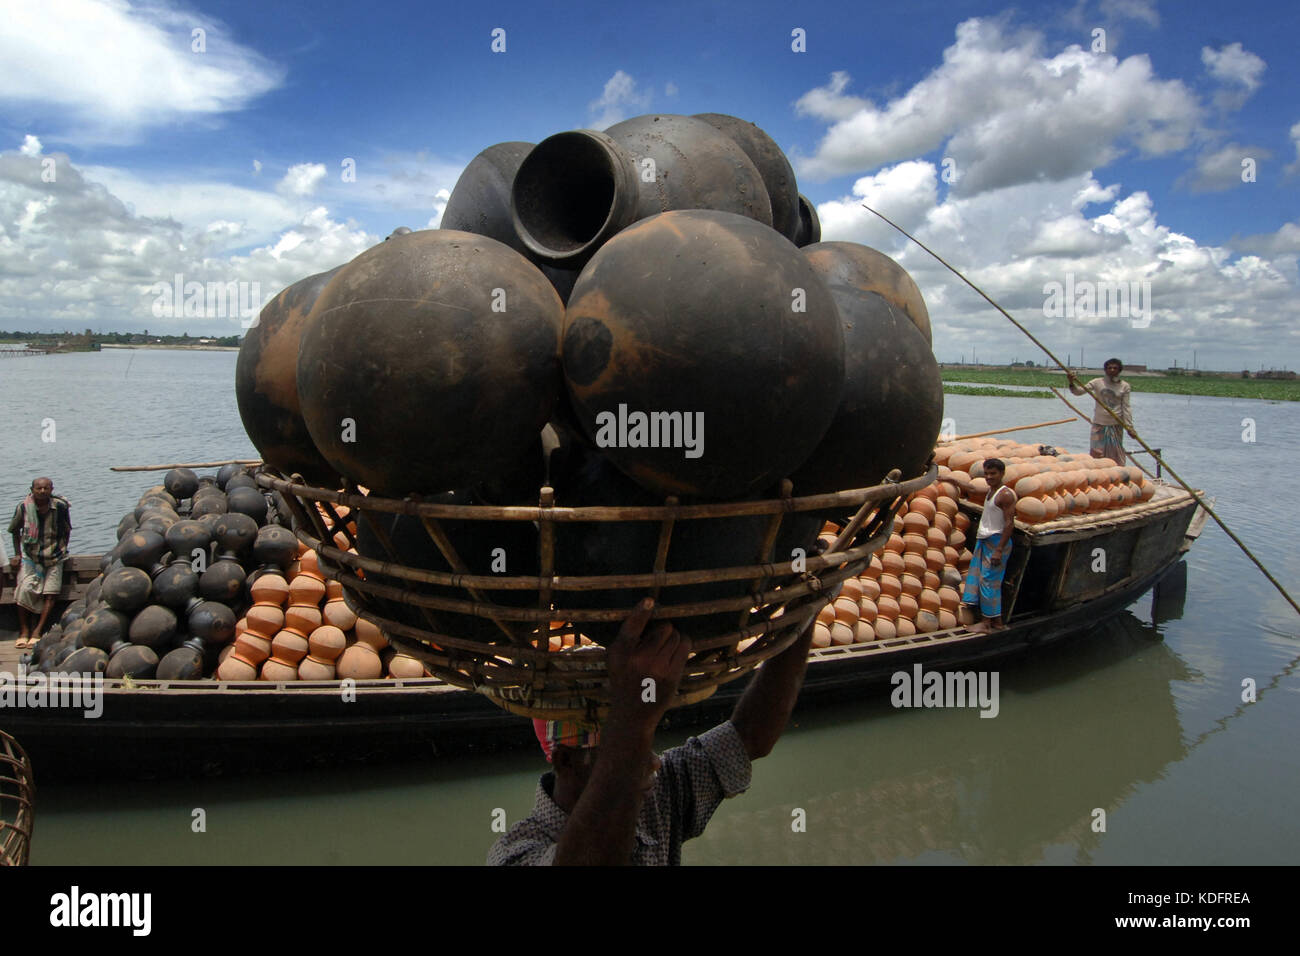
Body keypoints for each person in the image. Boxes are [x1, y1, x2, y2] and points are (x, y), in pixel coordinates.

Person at [488, 596, 816, 865]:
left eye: (644, 744)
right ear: (563, 761)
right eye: (624, 746)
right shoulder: (516, 852)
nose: (653, 762)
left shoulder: (656, 796)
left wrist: (803, 614)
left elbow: (749, 737)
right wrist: (635, 716)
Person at [953, 459, 1016, 633]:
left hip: (997, 542)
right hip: (987, 540)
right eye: (986, 474)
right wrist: (951, 480)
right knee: (988, 581)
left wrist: (998, 550)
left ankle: (986, 623)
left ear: (1002, 474)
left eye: (993, 474)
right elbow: (972, 489)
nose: (989, 477)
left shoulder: (1006, 495)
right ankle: (997, 622)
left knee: (988, 581)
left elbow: (1009, 523)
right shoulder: (991, 491)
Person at [7, 477, 72, 648]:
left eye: (46, 488)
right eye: (38, 489)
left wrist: (63, 548)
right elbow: (15, 531)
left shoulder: (60, 507)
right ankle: (24, 630)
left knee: (50, 593)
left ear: (51, 489)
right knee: (24, 591)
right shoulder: (23, 507)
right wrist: (17, 554)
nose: (42, 491)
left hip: (54, 556)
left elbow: (66, 530)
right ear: (32, 489)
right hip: (31, 556)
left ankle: (38, 631)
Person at [1067, 358, 1132, 464]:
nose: (1112, 370)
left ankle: (1117, 473)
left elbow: (1126, 407)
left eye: (1115, 368)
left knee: (1115, 453)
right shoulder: (1097, 382)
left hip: (1115, 424)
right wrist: (1071, 381)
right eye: (1109, 368)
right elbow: (1078, 392)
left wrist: (1129, 427)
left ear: (1119, 370)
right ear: (1105, 370)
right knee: (1096, 452)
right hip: (1099, 423)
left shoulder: (1124, 386)